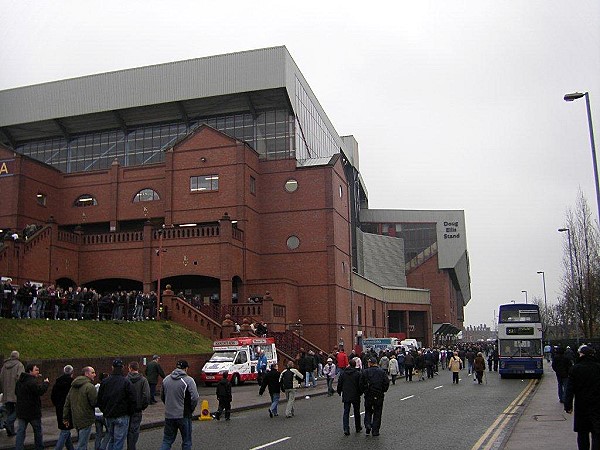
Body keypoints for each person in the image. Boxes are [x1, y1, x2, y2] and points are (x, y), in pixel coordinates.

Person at [564, 345, 600, 450]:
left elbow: (570, 389)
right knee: (597, 431)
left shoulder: (575, 369)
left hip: (581, 405)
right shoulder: (598, 367)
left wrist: (568, 405)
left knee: (582, 433)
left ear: (581, 354)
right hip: (597, 404)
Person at [97, 359, 136, 450]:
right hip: (122, 415)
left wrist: (105, 411)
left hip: (109, 415)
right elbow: (133, 400)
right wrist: (130, 412)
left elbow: (99, 400)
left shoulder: (105, 382)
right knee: (118, 441)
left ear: (112, 367)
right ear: (122, 367)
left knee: (112, 439)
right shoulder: (126, 382)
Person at [159, 360, 199, 450]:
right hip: (183, 414)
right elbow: (195, 397)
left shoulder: (166, 380)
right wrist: (191, 409)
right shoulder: (188, 380)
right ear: (186, 368)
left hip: (169, 415)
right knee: (186, 441)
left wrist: (168, 405)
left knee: (167, 440)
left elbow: (162, 396)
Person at [15, 363, 50, 450]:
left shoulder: (19, 381)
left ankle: (18, 447)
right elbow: (39, 391)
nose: (38, 372)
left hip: (21, 410)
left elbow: (16, 393)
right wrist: (45, 383)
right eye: (36, 370)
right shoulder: (32, 382)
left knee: (21, 431)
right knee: (37, 431)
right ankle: (39, 447)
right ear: (30, 371)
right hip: (32, 411)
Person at [63, 366, 97, 450]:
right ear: (86, 374)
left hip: (76, 419)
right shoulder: (89, 387)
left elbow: (67, 403)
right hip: (86, 419)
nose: (95, 375)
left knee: (81, 442)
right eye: (92, 373)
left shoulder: (73, 386)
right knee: (82, 444)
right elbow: (95, 402)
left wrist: (65, 417)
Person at [360, 356, 389, 437]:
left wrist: (364, 391)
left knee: (368, 410)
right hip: (378, 394)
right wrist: (383, 390)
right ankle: (375, 431)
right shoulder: (381, 372)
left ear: (370, 363)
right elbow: (386, 383)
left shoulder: (365, 372)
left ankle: (368, 425)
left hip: (368, 394)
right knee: (377, 412)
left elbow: (361, 384)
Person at [126, 361, 150, 450]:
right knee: (134, 430)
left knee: (125, 430)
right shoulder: (143, 380)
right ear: (137, 368)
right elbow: (146, 396)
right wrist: (142, 406)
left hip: (127, 410)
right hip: (137, 409)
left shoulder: (125, 379)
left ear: (130, 368)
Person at [0, 350, 25, 437]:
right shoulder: (19, 365)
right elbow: (20, 379)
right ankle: (8, 422)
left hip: (6, 392)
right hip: (15, 392)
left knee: (10, 411)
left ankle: (10, 431)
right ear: (18, 356)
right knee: (18, 410)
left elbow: (1, 378)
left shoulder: (4, 366)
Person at [51, 364, 75, 450]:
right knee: (65, 430)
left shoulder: (57, 383)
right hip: (68, 410)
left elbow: (53, 396)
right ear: (72, 373)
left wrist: (57, 405)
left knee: (65, 429)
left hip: (59, 408)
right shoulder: (72, 384)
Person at [337, 358, 363, 436]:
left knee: (346, 412)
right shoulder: (358, 374)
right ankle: (358, 427)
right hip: (355, 395)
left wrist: (339, 392)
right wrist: (360, 392)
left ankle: (346, 429)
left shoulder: (343, 373)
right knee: (356, 412)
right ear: (355, 365)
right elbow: (360, 385)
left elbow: (340, 384)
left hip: (346, 395)